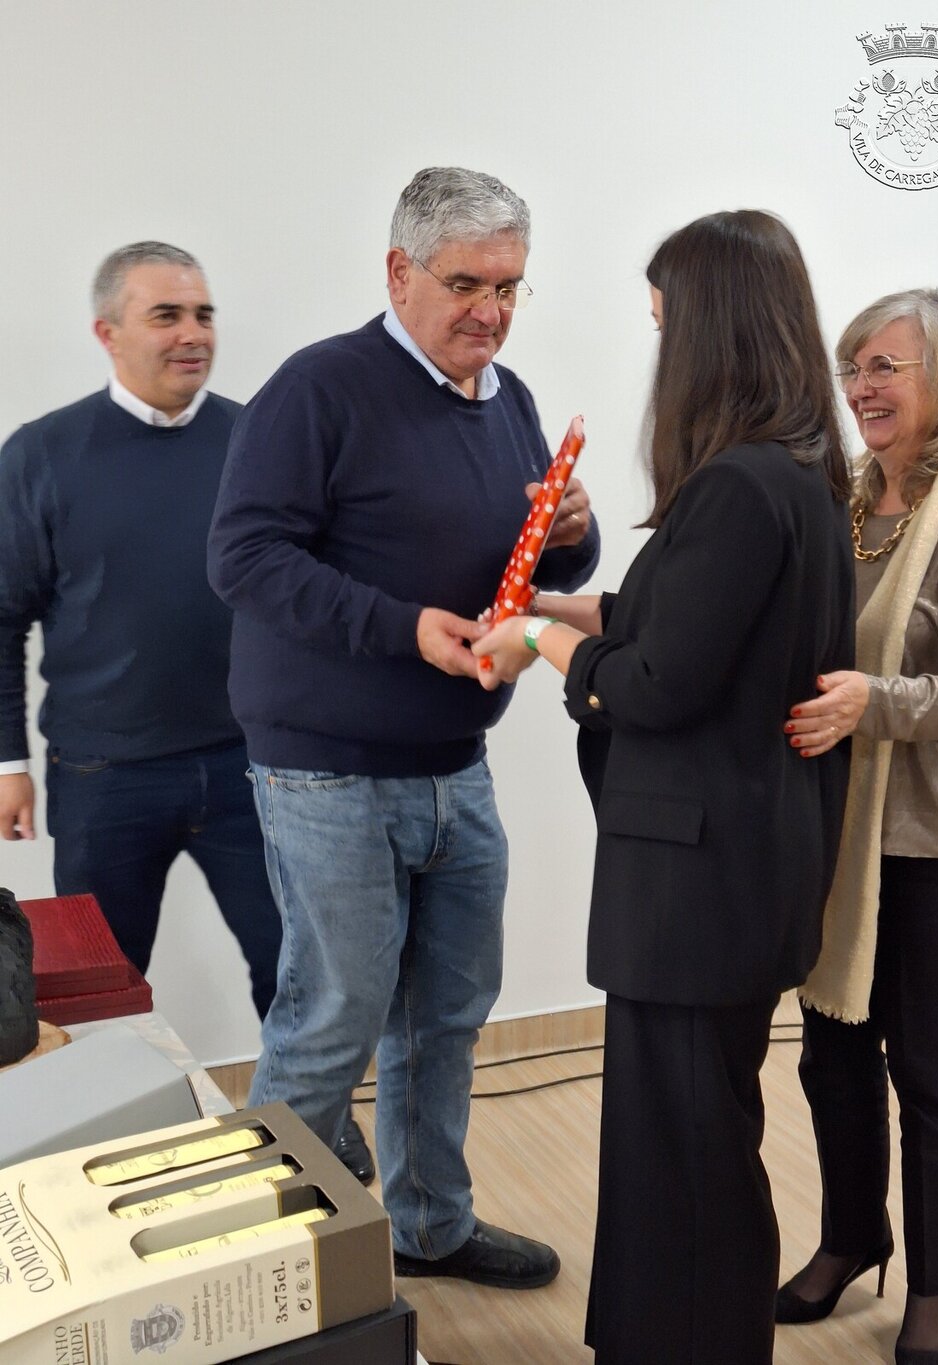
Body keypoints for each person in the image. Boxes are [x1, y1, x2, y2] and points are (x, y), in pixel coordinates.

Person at [475, 209, 854, 1362]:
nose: (660, 354)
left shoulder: (737, 485)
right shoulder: (794, 474)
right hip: (739, 866)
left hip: (697, 882)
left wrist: (536, 644)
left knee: (685, 1149)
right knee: (685, 1138)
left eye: (664, 325)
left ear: (711, 330)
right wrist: (553, 606)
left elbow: (657, 683)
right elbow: (679, 623)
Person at [207, 167, 599, 1280]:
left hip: (454, 764)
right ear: (398, 271)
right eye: (466, 283)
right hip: (325, 773)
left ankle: (430, 1227)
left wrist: (570, 533)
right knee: (331, 1017)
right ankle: (261, 1271)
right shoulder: (318, 388)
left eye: (509, 286)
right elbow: (242, 557)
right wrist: (400, 628)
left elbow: (532, 571)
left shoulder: (510, 399)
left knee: (447, 1013)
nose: (491, 310)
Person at [778, 289, 938, 1365]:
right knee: (830, 1055)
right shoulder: (836, 496)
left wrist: (873, 704)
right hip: (832, 824)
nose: (859, 388)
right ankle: (850, 1236)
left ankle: (934, 1291)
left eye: (885, 366)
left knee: (932, 1075)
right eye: (852, 367)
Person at [0, 242, 282, 1021]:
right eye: (167, 315)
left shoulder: (257, 440)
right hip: (104, 776)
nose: (193, 333)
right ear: (108, 332)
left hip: (251, 765)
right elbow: (2, 618)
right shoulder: (41, 455)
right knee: (98, 997)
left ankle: (312, 1105)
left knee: (299, 972)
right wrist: (7, 761)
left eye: (203, 314)